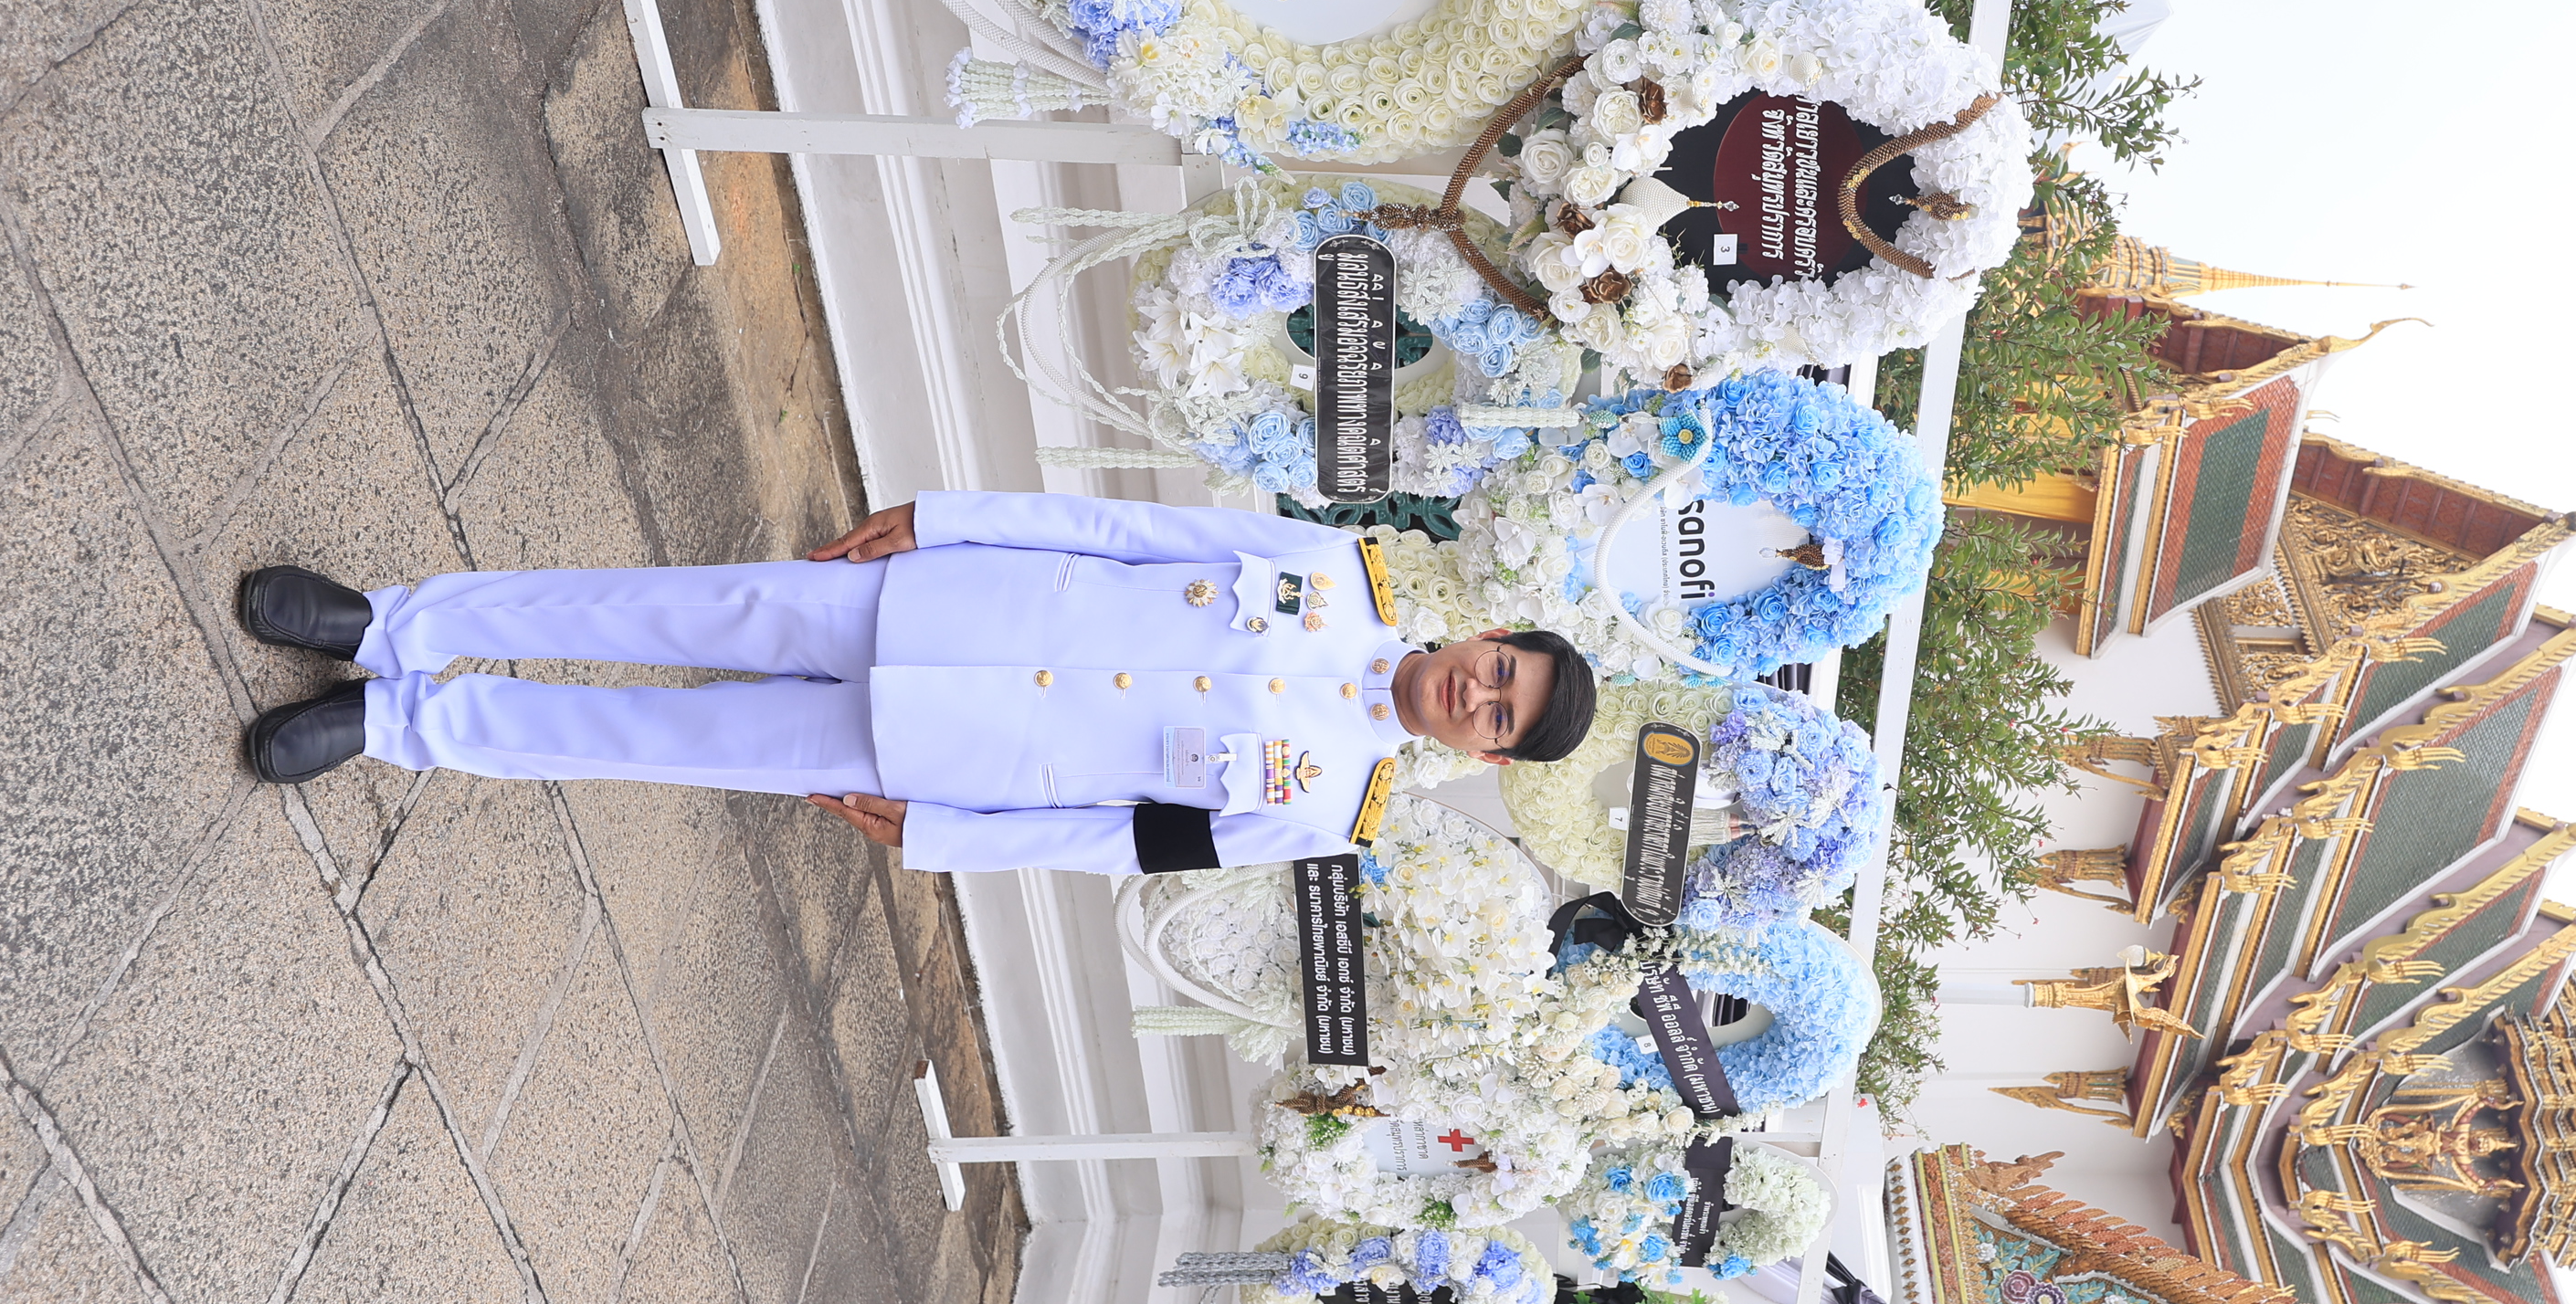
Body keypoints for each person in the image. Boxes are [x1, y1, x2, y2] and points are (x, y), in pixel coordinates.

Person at [232, 491, 1596, 876]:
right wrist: (942, 520)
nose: (1482, 694)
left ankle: (400, 726)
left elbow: (1126, 840)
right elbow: (1122, 529)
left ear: (1481, 755)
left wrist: (944, 837)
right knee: (648, 609)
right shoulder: (1333, 568)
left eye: (1500, 720)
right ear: (1493, 637)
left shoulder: (1330, 811)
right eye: (1503, 671)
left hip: (950, 748)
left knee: (651, 735)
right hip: (938, 595)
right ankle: (386, 622)